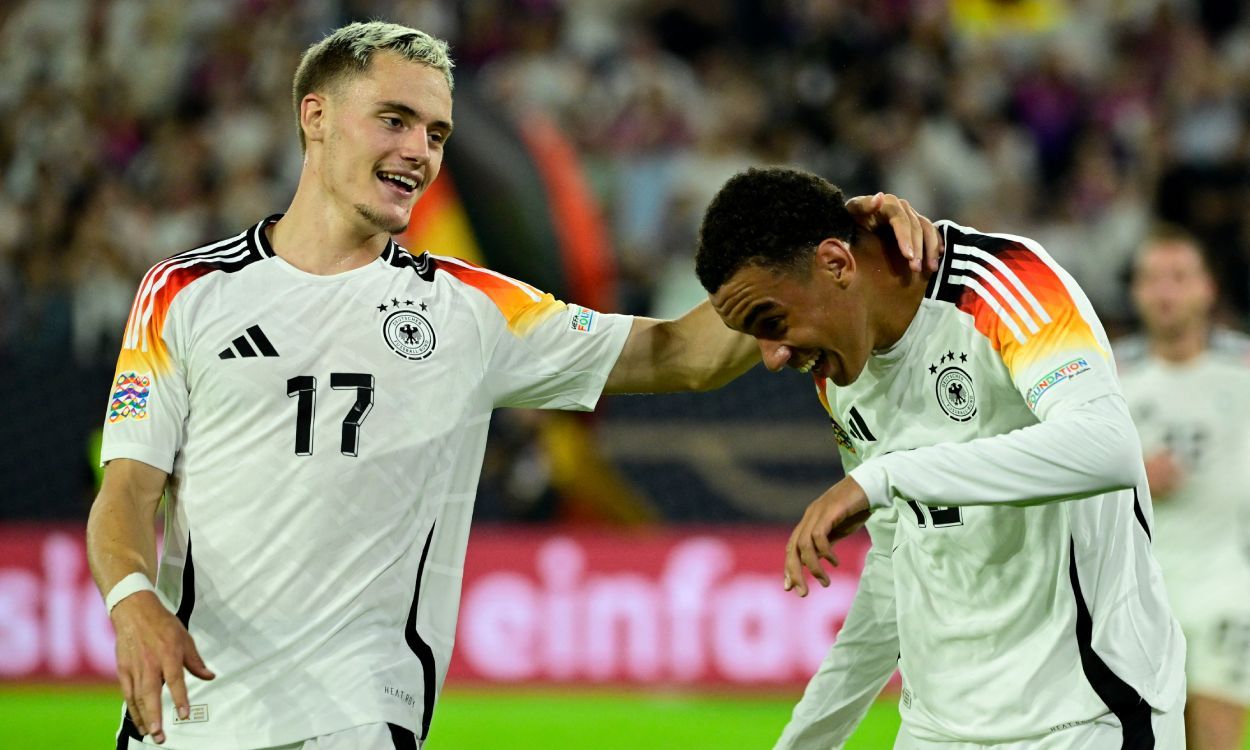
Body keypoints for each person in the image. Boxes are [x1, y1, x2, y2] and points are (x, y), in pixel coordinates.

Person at [85, 22, 939, 750]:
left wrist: (830, 249)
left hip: (350, 715)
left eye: (437, 133)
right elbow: (126, 490)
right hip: (183, 709)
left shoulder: (467, 310)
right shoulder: (184, 294)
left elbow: (679, 351)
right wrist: (131, 601)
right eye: (395, 120)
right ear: (317, 118)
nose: (419, 151)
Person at [695, 166, 1186, 748]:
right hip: (937, 728)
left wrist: (886, 477)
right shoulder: (838, 373)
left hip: (1086, 715)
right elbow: (895, 568)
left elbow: (1108, 447)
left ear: (836, 263)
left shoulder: (1001, 283)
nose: (773, 357)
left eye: (772, 323)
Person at [1117, 227, 1250, 750]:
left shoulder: (1243, 368)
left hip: (1228, 589)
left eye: (1179, 277)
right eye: (1152, 279)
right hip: (1138, 596)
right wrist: (1130, 475)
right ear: (1135, 292)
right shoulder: (1106, 376)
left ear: (1207, 289)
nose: (1165, 291)